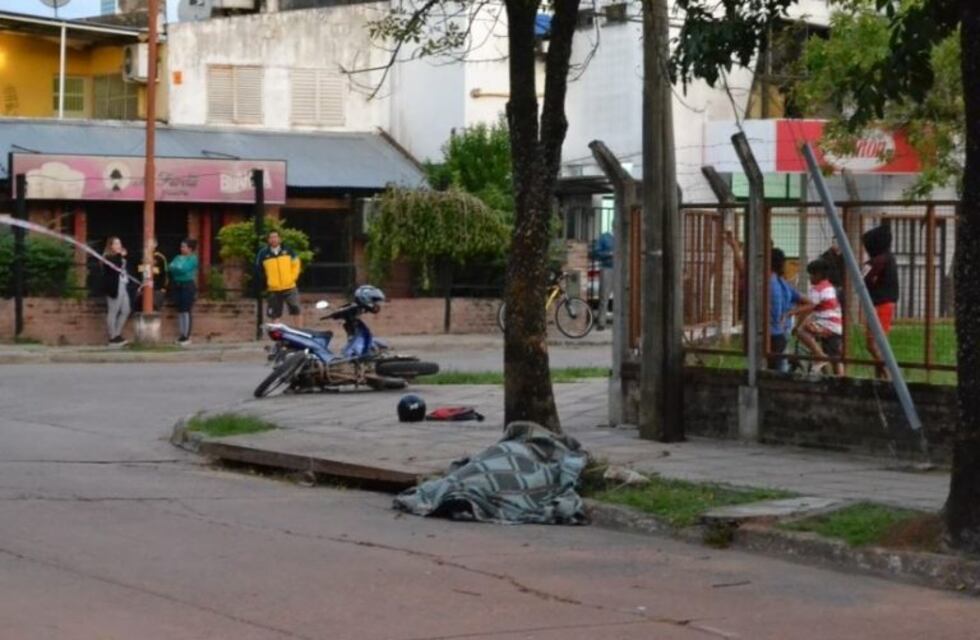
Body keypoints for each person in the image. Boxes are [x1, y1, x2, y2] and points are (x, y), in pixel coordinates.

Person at [789, 258, 844, 376]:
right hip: (836, 326)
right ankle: (842, 380)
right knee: (835, 357)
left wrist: (796, 324)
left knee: (801, 332)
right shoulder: (830, 287)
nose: (810, 278)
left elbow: (808, 308)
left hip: (827, 324)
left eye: (811, 275)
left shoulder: (817, 289)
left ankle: (820, 357)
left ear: (818, 275)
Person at [862, 224, 899, 380]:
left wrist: (864, 270)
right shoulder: (885, 258)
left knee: (873, 344)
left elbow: (867, 276)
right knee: (878, 342)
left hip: (882, 305)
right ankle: (881, 377)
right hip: (879, 304)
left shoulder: (882, 259)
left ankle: (889, 376)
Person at [768, 248, 802, 373]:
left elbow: (745, 272)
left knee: (770, 372)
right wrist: (789, 314)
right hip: (780, 332)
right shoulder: (782, 283)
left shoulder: (768, 282)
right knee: (778, 367)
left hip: (771, 333)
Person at [255, 230, 302, 319]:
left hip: (290, 287)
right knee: (274, 313)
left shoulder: (288, 250)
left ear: (280, 239)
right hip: (273, 289)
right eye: (271, 237)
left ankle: (299, 331)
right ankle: (276, 332)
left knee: (296, 310)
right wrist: (267, 281)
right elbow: (258, 269)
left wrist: (293, 277)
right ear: (268, 240)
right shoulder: (263, 253)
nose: (274, 239)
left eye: (275, 237)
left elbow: (296, 264)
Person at [102, 236, 131, 346]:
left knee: (126, 310)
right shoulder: (107, 257)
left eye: (120, 243)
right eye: (117, 244)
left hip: (123, 283)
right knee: (113, 311)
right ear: (111, 246)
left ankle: (117, 333)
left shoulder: (119, 257)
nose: (119, 246)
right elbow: (115, 267)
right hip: (114, 286)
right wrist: (120, 255)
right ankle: (112, 337)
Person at [170, 238, 199, 346]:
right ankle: (181, 334)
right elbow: (171, 268)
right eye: (181, 246)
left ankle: (186, 336)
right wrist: (178, 268)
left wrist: (178, 267)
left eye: (184, 247)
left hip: (188, 285)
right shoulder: (178, 257)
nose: (181, 248)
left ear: (190, 249)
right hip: (178, 285)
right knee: (180, 310)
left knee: (186, 310)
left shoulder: (193, 259)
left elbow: (184, 269)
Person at [590, 230, 614, 330]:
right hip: (607, 268)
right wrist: (609, 254)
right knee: (604, 297)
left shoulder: (625, 237)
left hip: (622, 269)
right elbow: (596, 252)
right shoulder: (605, 237)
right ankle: (601, 323)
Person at [139, 238, 169, 311]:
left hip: (157, 288)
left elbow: (165, 273)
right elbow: (139, 271)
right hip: (144, 287)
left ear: (156, 244)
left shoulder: (160, 257)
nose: (148, 245)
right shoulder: (141, 256)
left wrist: (164, 288)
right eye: (146, 243)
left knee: (155, 308)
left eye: (151, 243)